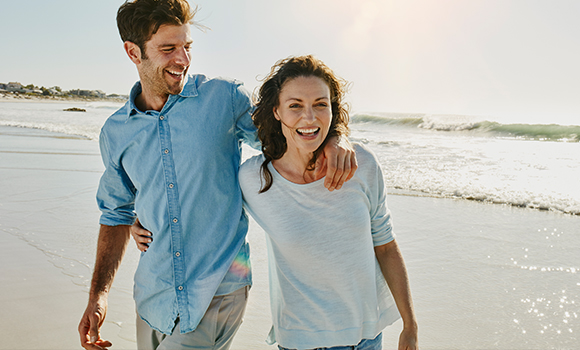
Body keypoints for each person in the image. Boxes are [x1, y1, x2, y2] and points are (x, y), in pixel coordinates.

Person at [78, 1, 356, 349]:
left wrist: (335, 137)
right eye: (168, 49)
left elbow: (287, 135)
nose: (183, 59)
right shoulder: (116, 131)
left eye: (186, 47)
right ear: (133, 52)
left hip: (218, 289)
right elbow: (115, 212)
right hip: (153, 296)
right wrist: (98, 296)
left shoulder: (224, 97)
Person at [241, 56, 418, 350]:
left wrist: (410, 326)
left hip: (365, 339)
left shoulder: (362, 164)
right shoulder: (253, 179)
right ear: (276, 111)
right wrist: (142, 215)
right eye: (295, 105)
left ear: (333, 110)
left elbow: (385, 246)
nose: (309, 118)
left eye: (321, 104)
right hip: (299, 341)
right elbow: (208, 205)